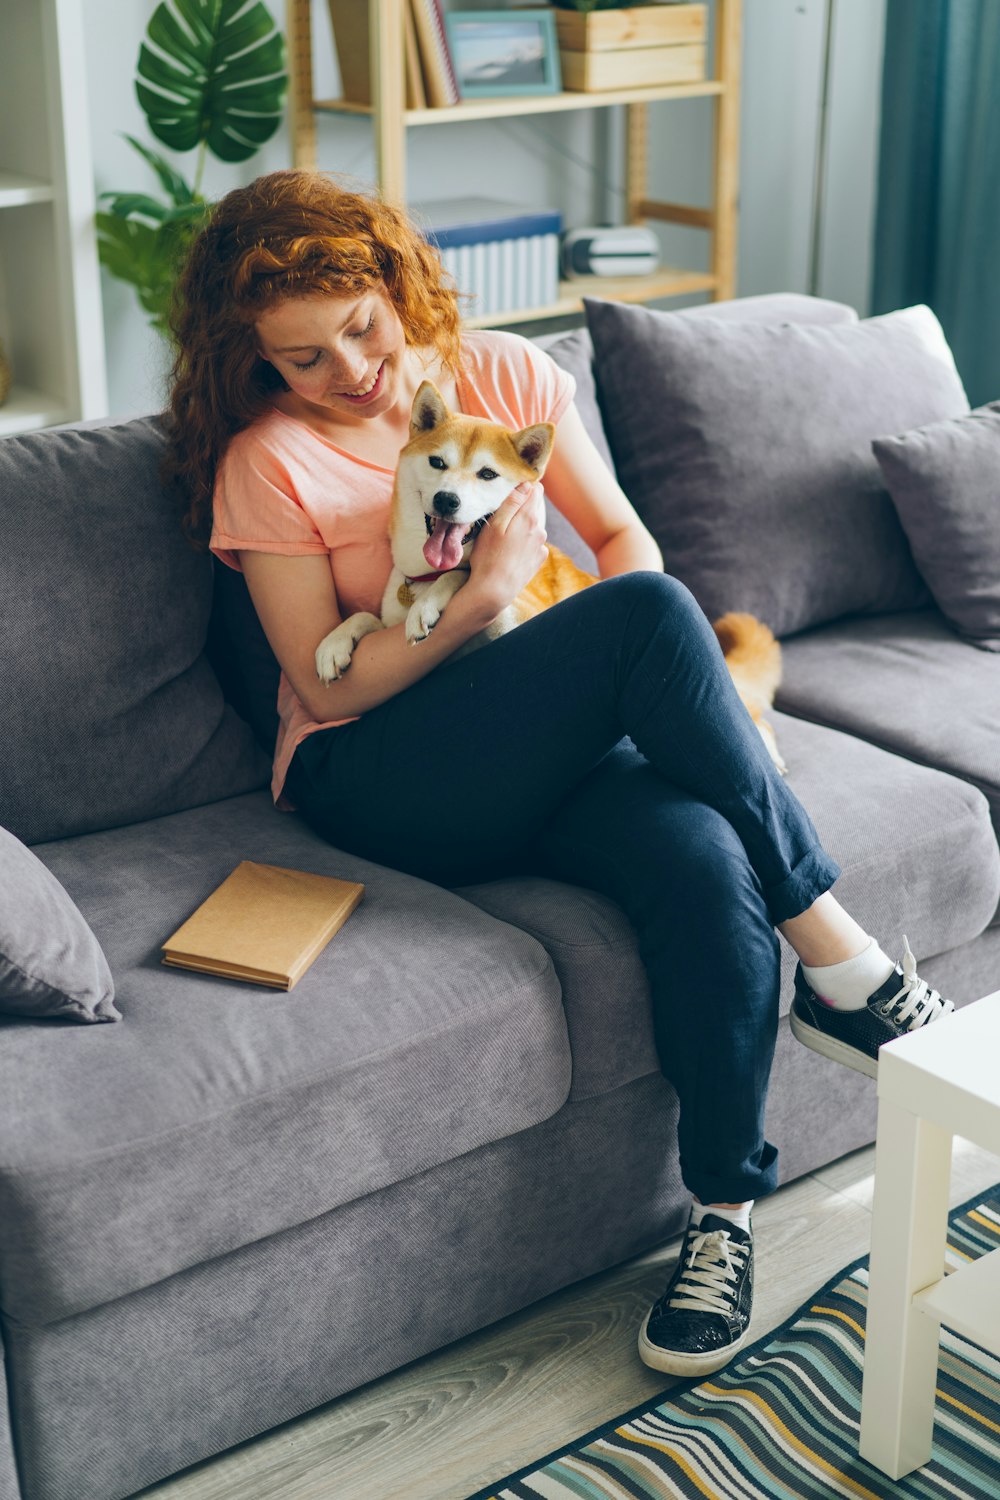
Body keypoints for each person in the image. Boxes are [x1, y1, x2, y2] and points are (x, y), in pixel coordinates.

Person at [164, 169, 955, 1379]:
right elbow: (322, 688)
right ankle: (843, 960)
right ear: (256, 363)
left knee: (702, 856)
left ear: (393, 282)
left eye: (363, 327)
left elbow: (626, 537)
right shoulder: (269, 462)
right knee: (642, 618)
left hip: (540, 740)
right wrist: (484, 596)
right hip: (380, 774)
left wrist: (564, 649)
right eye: (302, 358)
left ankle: (723, 1217)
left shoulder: (505, 377)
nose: (352, 371)